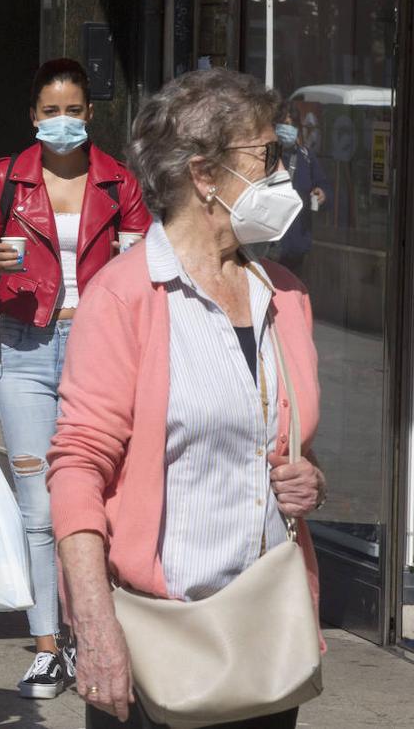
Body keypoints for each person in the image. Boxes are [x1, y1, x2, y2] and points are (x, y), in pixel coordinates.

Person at [47, 68, 326, 729]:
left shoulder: (283, 294)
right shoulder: (125, 297)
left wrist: (306, 478)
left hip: (264, 638)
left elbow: (278, 443)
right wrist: (95, 626)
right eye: (266, 157)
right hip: (160, 643)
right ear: (204, 174)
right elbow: (78, 469)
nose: (281, 174)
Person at [0, 58, 152, 700]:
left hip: (103, 351)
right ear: (33, 115)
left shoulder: (120, 182)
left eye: (73, 110)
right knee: (38, 505)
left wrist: (134, 256)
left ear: (90, 114)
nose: (61, 121)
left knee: (103, 495)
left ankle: (96, 632)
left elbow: (155, 261)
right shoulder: (6, 179)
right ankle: (48, 646)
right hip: (26, 349)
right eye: (50, 111)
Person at [273, 103, 330, 276]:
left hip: (297, 242)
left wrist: (322, 193)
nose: (287, 129)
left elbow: (323, 184)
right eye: (284, 124)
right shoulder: (267, 155)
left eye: (292, 125)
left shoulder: (307, 157)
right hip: (269, 243)